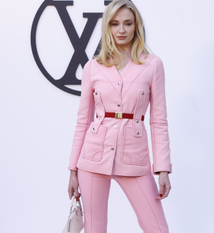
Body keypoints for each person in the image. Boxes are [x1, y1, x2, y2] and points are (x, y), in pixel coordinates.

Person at [67, 1, 172, 232]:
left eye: (127, 23)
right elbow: (83, 121)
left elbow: (159, 121)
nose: (121, 30)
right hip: (92, 158)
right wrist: (73, 170)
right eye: (115, 24)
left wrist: (163, 168)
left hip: (135, 159)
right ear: (107, 27)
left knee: (157, 227)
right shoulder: (93, 66)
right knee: (95, 229)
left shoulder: (153, 64)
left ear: (136, 26)